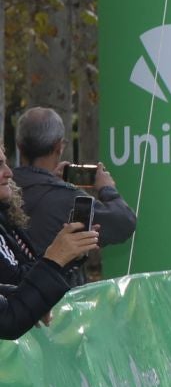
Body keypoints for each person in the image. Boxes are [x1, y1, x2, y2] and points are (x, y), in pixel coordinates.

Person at [12, 108, 137, 280]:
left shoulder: (7, 189)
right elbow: (123, 223)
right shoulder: (70, 200)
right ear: (58, 146)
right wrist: (107, 189)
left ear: (19, 145)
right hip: (56, 300)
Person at [0, 152, 97, 339]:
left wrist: (64, 255)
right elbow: (9, 319)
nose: (9, 172)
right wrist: (55, 259)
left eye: (6, 163)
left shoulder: (7, 215)